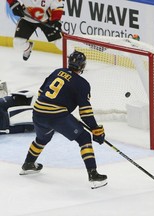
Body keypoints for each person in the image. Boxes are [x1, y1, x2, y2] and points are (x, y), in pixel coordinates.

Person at [19, 50, 107, 189]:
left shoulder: (57, 72)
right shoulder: (83, 84)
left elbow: (42, 92)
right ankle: (93, 175)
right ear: (82, 66)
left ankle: (28, 164)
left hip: (38, 112)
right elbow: (85, 112)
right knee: (84, 137)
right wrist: (96, 129)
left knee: (42, 138)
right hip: (56, 116)